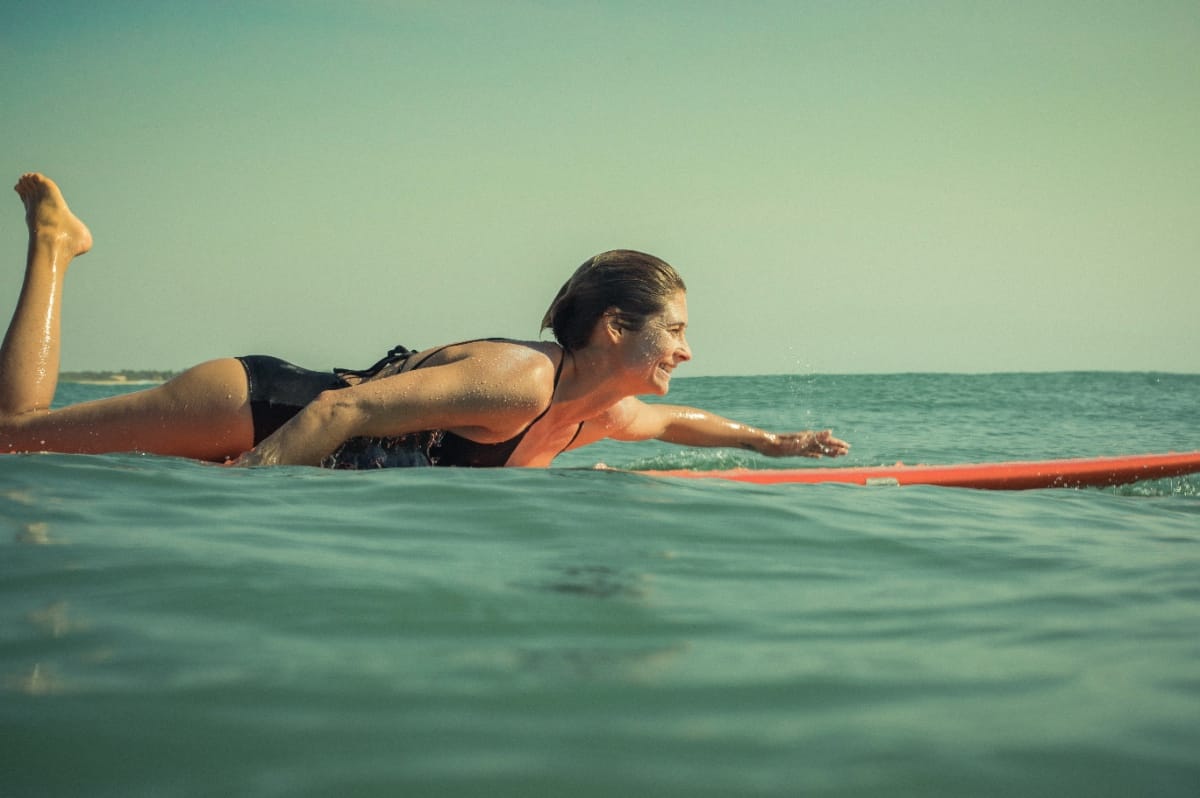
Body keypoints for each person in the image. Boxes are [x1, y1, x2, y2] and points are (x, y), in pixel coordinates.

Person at [1, 173, 849, 468]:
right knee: (14, 440)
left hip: (285, 425)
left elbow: (677, 422)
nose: (689, 350)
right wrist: (248, 493)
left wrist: (772, 444)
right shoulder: (523, 382)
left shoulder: (597, 410)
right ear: (618, 329)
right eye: (676, 331)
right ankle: (53, 245)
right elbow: (340, 413)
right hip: (262, 405)